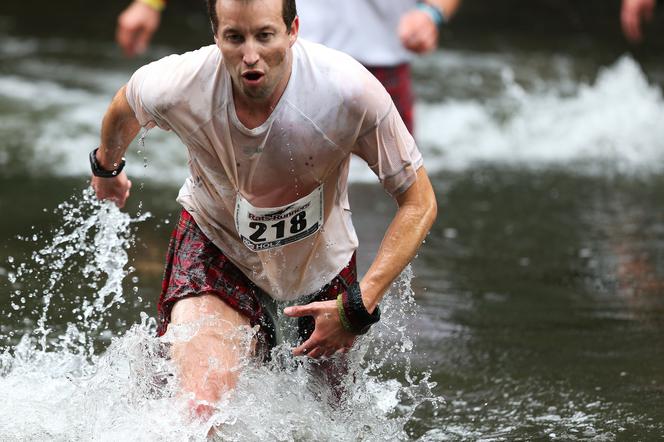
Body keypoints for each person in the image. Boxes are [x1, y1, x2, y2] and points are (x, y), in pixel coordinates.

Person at [95, 0, 437, 417]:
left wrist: (358, 306)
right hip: (216, 243)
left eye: (265, 36)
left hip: (320, 265)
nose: (250, 56)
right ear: (216, 36)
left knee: (331, 419)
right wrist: (107, 168)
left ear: (293, 30)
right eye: (235, 38)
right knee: (203, 407)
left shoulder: (347, 91)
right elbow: (123, 109)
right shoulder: (179, 82)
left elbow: (419, 202)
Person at [115, 0, 461, 133]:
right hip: (288, 54)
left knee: (389, 183)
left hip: (382, 59)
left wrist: (431, 12)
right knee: (269, 176)